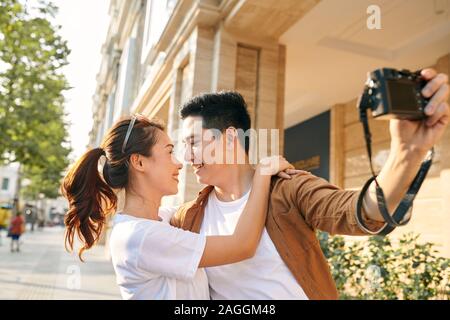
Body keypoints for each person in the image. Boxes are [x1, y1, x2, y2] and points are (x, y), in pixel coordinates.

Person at [171, 68, 449, 300]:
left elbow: (361, 211)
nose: (187, 155)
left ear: (230, 138)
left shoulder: (288, 188)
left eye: (193, 142)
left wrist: (406, 152)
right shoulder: (188, 216)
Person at [61, 115, 298, 299]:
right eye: (170, 152)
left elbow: (204, 208)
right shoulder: (140, 236)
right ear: (139, 162)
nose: (180, 163)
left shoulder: (160, 220)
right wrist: (262, 175)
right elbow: (241, 245)